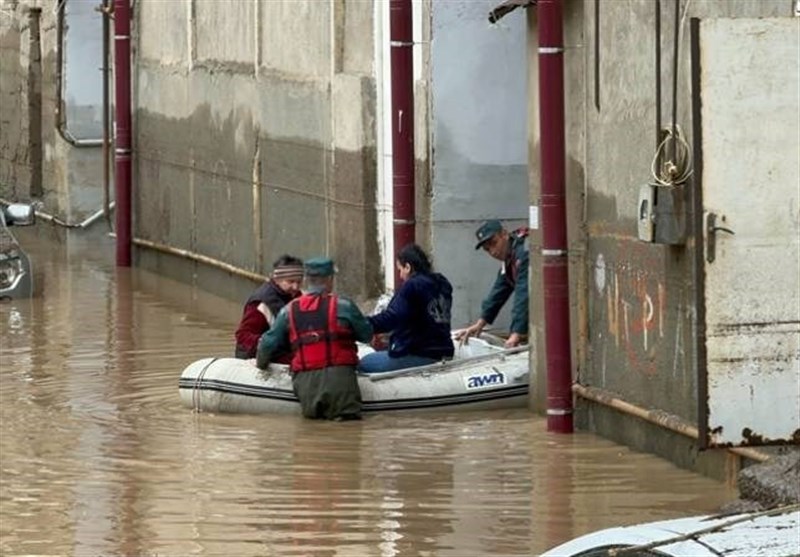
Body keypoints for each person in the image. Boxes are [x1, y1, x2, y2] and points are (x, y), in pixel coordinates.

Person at [255, 257, 373, 420]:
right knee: (348, 432)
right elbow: (366, 335)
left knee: (313, 432)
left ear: (305, 280)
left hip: (306, 385)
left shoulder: (288, 311)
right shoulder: (345, 306)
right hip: (341, 382)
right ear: (330, 279)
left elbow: (267, 344)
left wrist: (260, 365)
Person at [358, 244, 454, 374]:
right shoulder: (442, 284)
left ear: (408, 267)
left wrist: (363, 324)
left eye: (400, 270)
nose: (401, 275)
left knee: (363, 362)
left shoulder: (412, 285)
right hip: (445, 350)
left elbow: (391, 318)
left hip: (420, 354)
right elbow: (422, 318)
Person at [454, 219, 529, 348]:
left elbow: (524, 294)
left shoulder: (523, 252)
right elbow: (499, 290)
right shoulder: (510, 257)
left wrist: (516, 333)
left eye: (494, 243)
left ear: (504, 234)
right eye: (487, 249)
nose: (493, 252)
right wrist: (480, 323)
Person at [234, 255, 304, 361]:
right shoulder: (260, 303)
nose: (295, 287)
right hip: (258, 355)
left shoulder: (296, 296)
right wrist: (269, 342)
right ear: (277, 279)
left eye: (299, 282)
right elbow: (243, 335)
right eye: (290, 282)